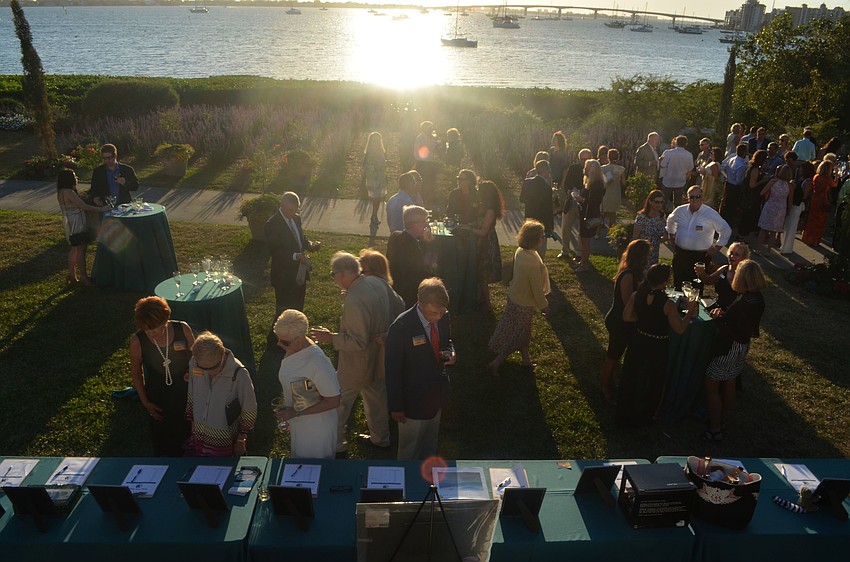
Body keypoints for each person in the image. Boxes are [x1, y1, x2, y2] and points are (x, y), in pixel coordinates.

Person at [311, 252, 394, 454]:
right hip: (380, 357)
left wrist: (330, 337)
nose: (334, 280)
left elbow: (358, 342)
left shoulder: (354, 300)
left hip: (358, 365)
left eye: (333, 275)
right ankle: (381, 439)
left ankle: (337, 444)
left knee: (339, 403)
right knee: (377, 399)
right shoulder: (377, 282)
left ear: (342, 275)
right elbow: (398, 306)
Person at [616, 264, 696, 427]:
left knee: (629, 375)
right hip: (658, 343)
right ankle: (649, 414)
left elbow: (626, 316)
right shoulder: (668, 304)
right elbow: (680, 329)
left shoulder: (636, 294)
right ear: (665, 281)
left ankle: (624, 410)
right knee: (657, 380)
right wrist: (690, 311)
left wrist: (642, 320)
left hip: (638, 339)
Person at [385, 278, 456, 460]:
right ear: (420, 303)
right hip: (412, 402)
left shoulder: (443, 315)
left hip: (436, 395)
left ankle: (427, 479)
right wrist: (396, 406)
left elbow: (447, 341)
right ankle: (408, 480)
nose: (438, 317)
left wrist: (450, 352)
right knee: (410, 446)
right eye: (434, 313)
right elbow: (392, 370)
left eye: (442, 312)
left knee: (430, 441)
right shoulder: (401, 328)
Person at [701, 259, 766, 442]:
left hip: (729, 346)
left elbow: (732, 325)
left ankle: (714, 429)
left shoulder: (744, 302)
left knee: (711, 385)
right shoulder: (756, 297)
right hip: (742, 345)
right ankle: (721, 421)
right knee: (729, 382)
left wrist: (719, 317)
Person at [129, 296, 195, 456]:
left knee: (192, 435)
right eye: (147, 330)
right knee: (166, 443)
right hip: (159, 397)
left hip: (187, 391)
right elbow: (136, 373)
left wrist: (195, 377)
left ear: (166, 320)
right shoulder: (137, 341)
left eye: (156, 329)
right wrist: (145, 402)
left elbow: (197, 359)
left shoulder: (182, 329)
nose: (152, 334)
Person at [273, 309, 341, 459]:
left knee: (313, 469)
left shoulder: (317, 362)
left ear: (300, 339)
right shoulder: (295, 348)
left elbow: (334, 400)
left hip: (317, 428)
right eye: (277, 338)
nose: (279, 344)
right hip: (301, 419)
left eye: (284, 341)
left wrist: (295, 413)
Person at [487, 220, 550, 375]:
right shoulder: (531, 260)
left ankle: (525, 359)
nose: (543, 238)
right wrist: (544, 305)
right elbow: (535, 288)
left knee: (524, 332)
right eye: (542, 236)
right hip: (523, 303)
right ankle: (496, 363)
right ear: (535, 239)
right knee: (515, 335)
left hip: (515, 297)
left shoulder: (522, 251)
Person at [186, 331, 257, 456]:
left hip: (223, 435)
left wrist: (241, 438)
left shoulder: (239, 374)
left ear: (222, 355)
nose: (209, 372)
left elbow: (249, 407)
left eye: (213, 367)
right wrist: (192, 421)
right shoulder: (194, 363)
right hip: (200, 431)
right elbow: (192, 392)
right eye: (203, 368)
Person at [600, 239, 649, 403]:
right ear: (640, 256)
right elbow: (628, 303)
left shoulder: (637, 272)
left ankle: (613, 380)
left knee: (618, 353)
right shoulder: (627, 275)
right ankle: (605, 386)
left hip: (626, 321)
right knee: (613, 356)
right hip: (619, 322)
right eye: (646, 255)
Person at [666, 185, 731, 290]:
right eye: (692, 197)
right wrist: (671, 237)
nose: (695, 199)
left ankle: (694, 306)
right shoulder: (680, 210)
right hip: (680, 254)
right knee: (678, 284)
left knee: (696, 287)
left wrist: (716, 249)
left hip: (700, 257)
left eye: (698, 196)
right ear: (688, 198)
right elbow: (670, 222)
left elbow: (726, 230)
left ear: (702, 197)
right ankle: (678, 305)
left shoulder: (710, 214)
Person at [265, 191, 316, 317]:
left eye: (296, 210)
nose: (293, 213)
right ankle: (276, 337)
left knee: (298, 309)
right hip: (283, 276)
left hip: (299, 273)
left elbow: (300, 239)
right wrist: (295, 256)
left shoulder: (296, 219)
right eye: (290, 210)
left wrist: (309, 244)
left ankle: (297, 334)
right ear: (281, 205)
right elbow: (275, 251)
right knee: (284, 313)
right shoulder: (272, 224)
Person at [56, 168, 109, 285]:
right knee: (81, 250)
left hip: (68, 221)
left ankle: (72, 275)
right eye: (74, 176)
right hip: (77, 222)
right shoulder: (69, 193)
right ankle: (84, 277)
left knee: (74, 248)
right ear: (69, 179)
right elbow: (84, 207)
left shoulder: (60, 191)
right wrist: (101, 209)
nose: (76, 178)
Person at [466, 180, 505, 312]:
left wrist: (468, 230)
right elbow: (478, 222)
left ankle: (487, 304)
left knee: (484, 274)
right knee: (479, 272)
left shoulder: (490, 211)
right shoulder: (483, 207)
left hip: (487, 243)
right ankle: (481, 299)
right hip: (481, 242)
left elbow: (483, 232)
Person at [387, 205, 431, 307]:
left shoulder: (395, 236)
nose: (426, 224)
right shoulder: (413, 248)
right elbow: (420, 273)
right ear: (414, 224)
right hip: (408, 294)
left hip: (393, 285)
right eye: (423, 221)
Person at [695, 241, 750, 311]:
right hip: (717, 307)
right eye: (731, 253)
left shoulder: (744, 274)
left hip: (734, 310)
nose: (732, 256)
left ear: (744, 258)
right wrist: (701, 273)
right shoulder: (724, 268)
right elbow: (708, 281)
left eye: (737, 255)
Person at [559, 148, 592, 260]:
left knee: (581, 230)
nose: (584, 161)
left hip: (584, 203)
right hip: (572, 200)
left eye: (586, 159)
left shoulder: (594, 170)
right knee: (566, 227)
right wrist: (568, 190)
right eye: (582, 159)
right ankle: (565, 250)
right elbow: (567, 183)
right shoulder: (573, 168)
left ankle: (579, 253)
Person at [358, 248, 407, 320]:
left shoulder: (379, 287)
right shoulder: (386, 287)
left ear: (377, 271)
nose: (360, 276)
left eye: (363, 272)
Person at [520, 159, 555, 258]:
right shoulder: (546, 187)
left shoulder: (527, 182)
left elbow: (522, 199)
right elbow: (548, 209)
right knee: (540, 248)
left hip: (529, 217)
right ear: (545, 171)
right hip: (541, 220)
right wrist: (550, 226)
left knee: (527, 245)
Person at [576, 158, 605, 272]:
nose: (584, 170)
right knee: (583, 240)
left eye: (587, 168)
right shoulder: (591, 182)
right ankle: (583, 261)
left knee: (585, 240)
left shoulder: (596, 184)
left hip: (589, 215)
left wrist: (582, 200)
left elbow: (595, 201)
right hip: (586, 213)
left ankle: (585, 264)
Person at [757, 164, 794, 253]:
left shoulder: (773, 182)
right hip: (781, 209)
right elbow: (790, 200)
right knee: (774, 231)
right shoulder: (790, 186)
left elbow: (762, 192)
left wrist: (769, 193)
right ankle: (768, 250)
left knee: (763, 230)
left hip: (770, 205)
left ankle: (758, 249)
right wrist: (788, 211)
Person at [780, 161, 815, 254]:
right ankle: (783, 245)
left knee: (792, 226)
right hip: (792, 203)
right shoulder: (798, 179)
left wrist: (794, 189)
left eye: (802, 168)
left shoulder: (807, 181)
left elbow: (804, 196)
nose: (800, 169)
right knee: (787, 225)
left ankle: (787, 248)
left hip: (797, 204)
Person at [801, 160, 836, 246]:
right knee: (820, 221)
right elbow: (834, 185)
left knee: (811, 219)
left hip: (815, 198)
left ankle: (807, 237)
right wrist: (837, 175)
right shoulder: (827, 179)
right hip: (823, 199)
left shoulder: (816, 176)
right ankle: (815, 240)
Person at [719, 144, 749, 234]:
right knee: (731, 207)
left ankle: (722, 222)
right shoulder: (742, 165)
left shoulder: (732, 159)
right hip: (735, 187)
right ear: (744, 152)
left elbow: (723, 168)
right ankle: (728, 226)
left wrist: (727, 176)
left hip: (728, 183)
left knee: (726, 204)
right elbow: (739, 180)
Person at [659, 135, 695, 210]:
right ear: (686, 143)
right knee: (678, 203)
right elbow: (690, 170)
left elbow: (662, 165)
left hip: (667, 180)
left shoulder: (668, 152)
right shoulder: (689, 155)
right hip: (680, 181)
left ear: (676, 142)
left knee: (663, 201)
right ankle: (677, 218)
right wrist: (685, 179)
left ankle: (660, 216)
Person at [632, 189, 667, 266]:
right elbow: (635, 237)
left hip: (654, 253)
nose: (659, 204)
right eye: (657, 202)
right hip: (642, 253)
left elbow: (663, 234)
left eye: (661, 202)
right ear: (650, 202)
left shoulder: (662, 216)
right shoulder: (642, 216)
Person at [739, 149, 769, 236]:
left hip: (750, 196)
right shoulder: (755, 170)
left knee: (747, 216)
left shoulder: (752, 167)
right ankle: (742, 235)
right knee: (747, 217)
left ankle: (743, 234)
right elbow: (752, 185)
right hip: (751, 197)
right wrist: (763, 180)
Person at [362, 131, 388, 229]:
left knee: (377, 198)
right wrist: (377, 167)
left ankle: (374, 215)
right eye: (374, 140)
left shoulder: (380, 151)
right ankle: (374, 216)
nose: (376, 142)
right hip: (374, 178)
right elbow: (367, 166)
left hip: (380, 177)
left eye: (378, 140)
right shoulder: (369, 152)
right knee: (376, 198)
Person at [413, 120, 439, 205]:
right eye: (430, 128)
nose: (432, 129)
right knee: (424, 183)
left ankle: (427, 200)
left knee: (430, 183)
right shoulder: (420, 138)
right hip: (422, 163)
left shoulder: (429, 137)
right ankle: (421, 201)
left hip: (429, 163)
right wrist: (434, 143)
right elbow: (426, 150)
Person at [601, 148, 626, 229]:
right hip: (615, 192)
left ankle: (597, 233)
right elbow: (623, 183)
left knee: (602, 213)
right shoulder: (621, 169)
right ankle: (611, 232)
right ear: (618, 157)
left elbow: (602, 181)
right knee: (612, 214)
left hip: (605, 192)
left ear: (608, 157)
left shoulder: (603, 168)